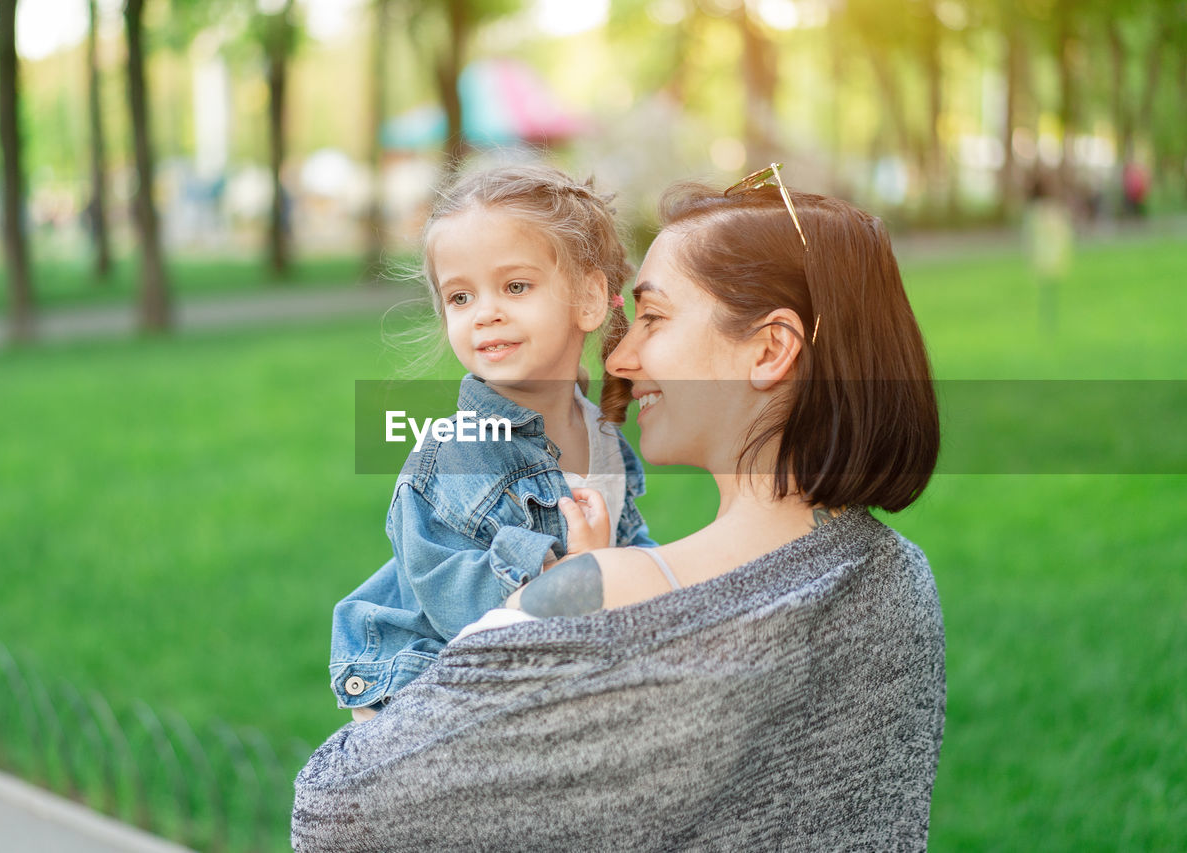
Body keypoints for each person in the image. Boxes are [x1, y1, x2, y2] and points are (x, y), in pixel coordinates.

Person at [294, 167, 945, 851]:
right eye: (460, 295)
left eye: (654, 318)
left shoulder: (607, 591)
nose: (623, 355)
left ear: (771, 347)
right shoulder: (898, 575)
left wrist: (573, 590)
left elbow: (333, 812)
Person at [328, 165, 656, 720]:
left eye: (516, 286)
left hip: (540, 679)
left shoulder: (600, 433)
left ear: (589, 298)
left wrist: (655, 580)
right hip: (431, 696)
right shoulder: (454, 455)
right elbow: (456, 606)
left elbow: (630, 543)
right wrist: (576, 574)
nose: (486, 313)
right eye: (460, 297)